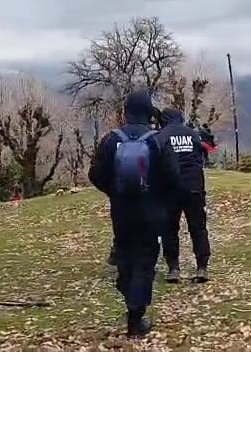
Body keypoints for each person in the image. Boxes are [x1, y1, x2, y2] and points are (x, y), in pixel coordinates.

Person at [88, 91, 182, 337]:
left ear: (126, 111)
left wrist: (114, 191)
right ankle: (136, 315)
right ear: (148, 112)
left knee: (125, 254)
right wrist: (159, 198)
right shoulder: (157, 140)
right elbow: (173, 177)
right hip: (150, 211)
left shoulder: (111, 140)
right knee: (145, 260)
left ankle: (128, 291)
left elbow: (95, 175)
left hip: (121, 210)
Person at [158, 108, 212, 283]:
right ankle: (202, 267)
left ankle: (173, 268)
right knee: (198, 227)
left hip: (169, 189)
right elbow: (205, 152)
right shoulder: (193, 134)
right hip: (194, 186)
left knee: (170, 229)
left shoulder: (161, 136)